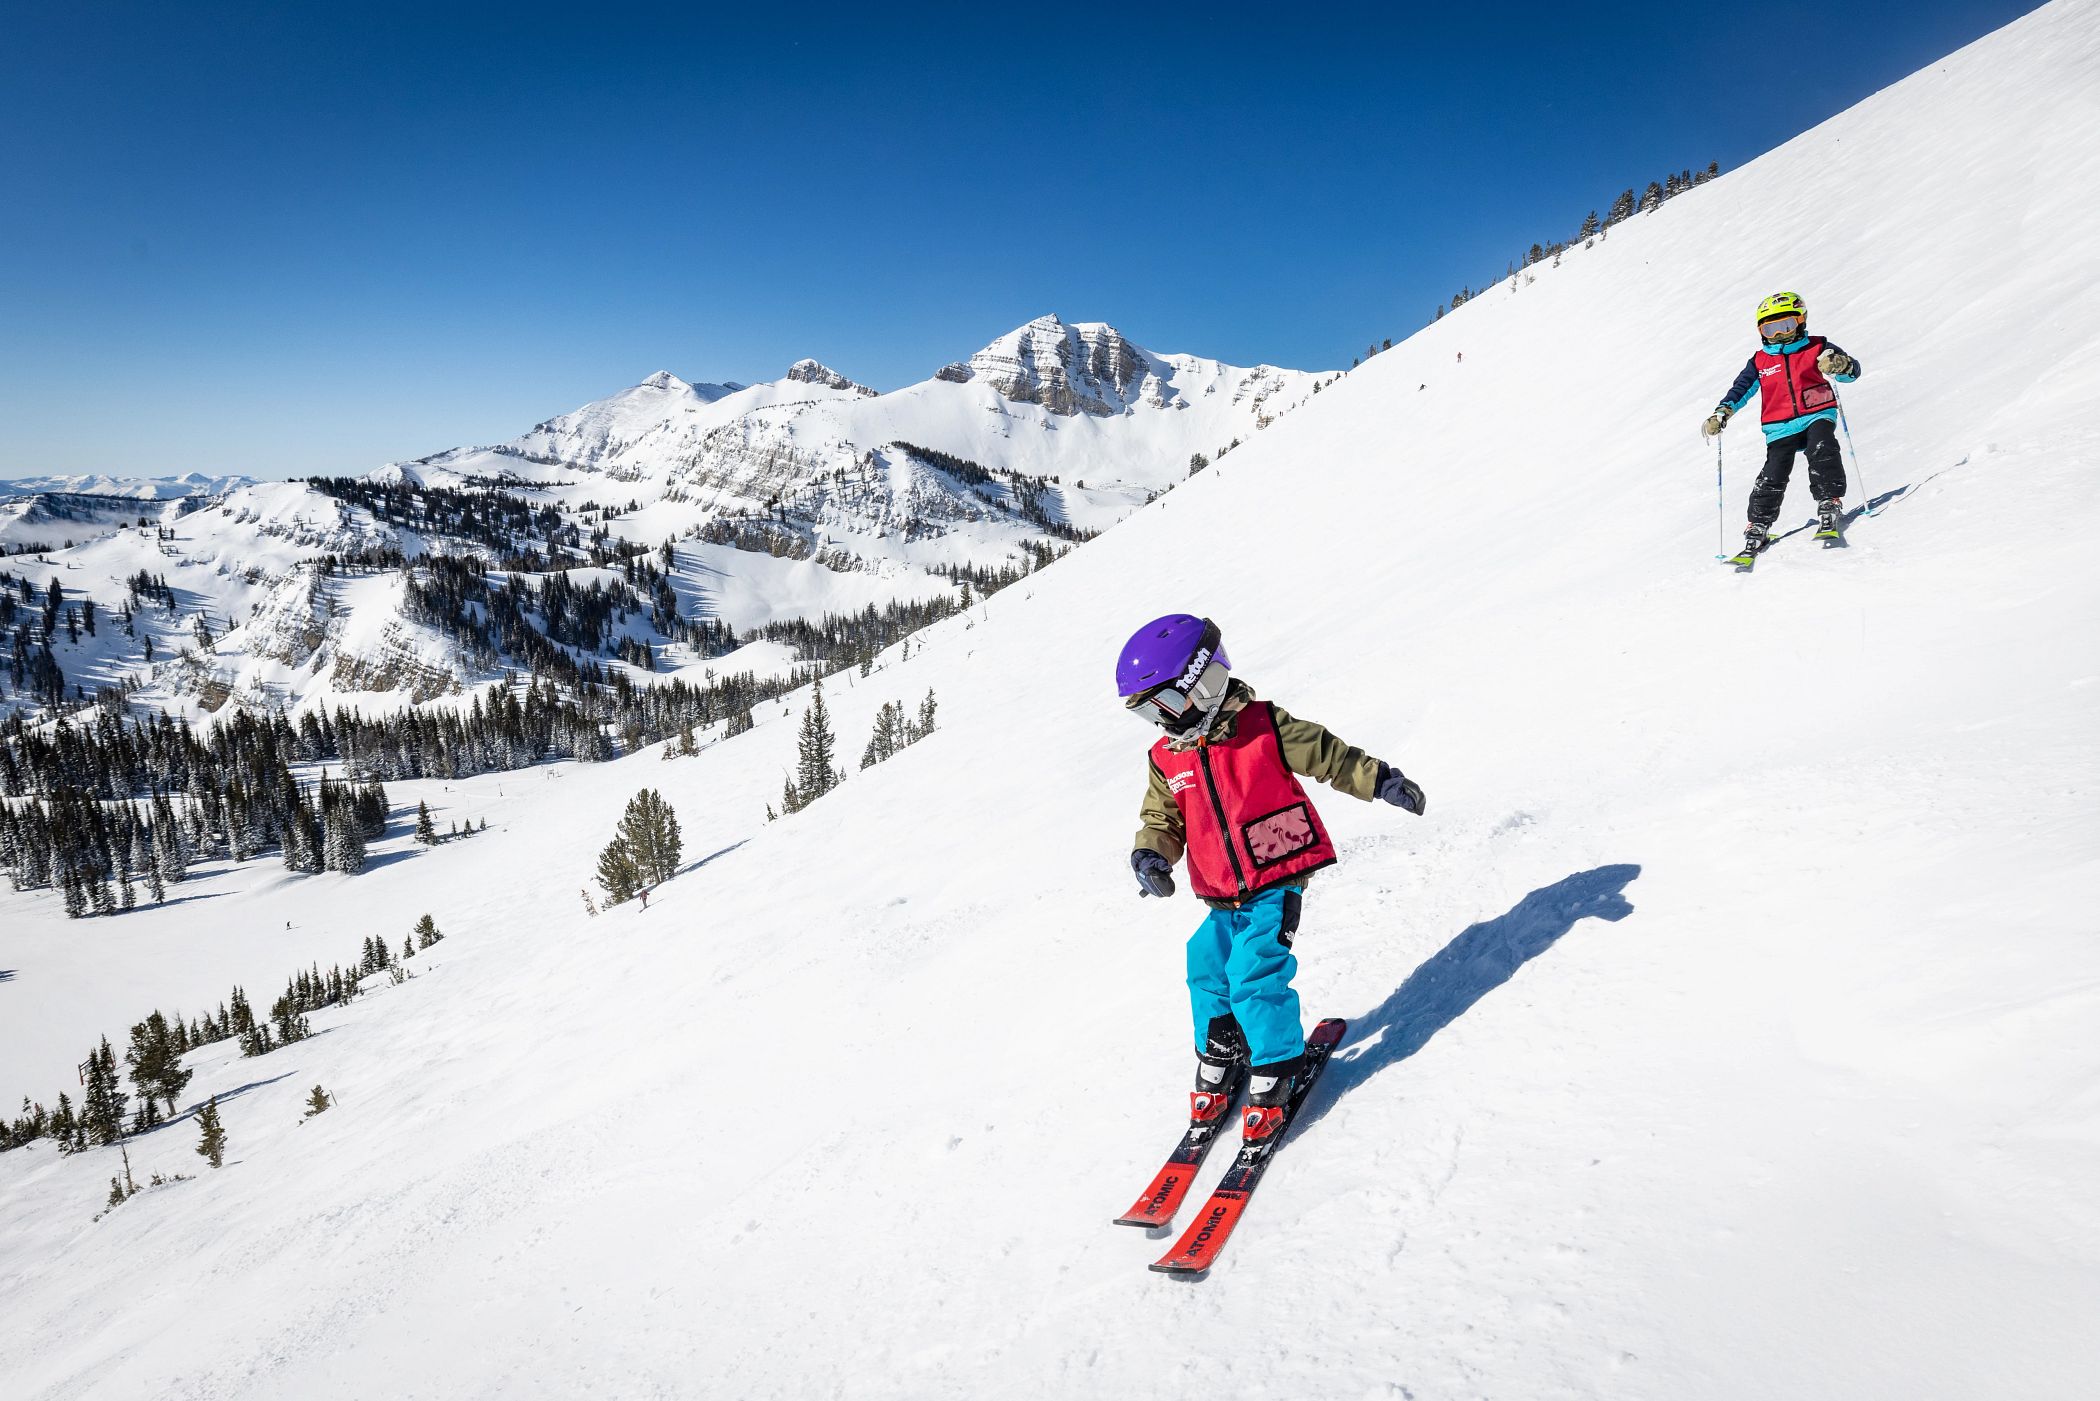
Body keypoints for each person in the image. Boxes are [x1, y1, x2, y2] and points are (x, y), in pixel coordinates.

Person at [1118, 615, 1425, 1143]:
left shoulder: (1264, 726)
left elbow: (1329, 756)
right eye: (1147, 710)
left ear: (1203, 682)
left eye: (1164, 703)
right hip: (1220, 893)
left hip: (1274, 874)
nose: (1160, 720)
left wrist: (1380, 780)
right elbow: (1162, 820)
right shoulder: (1167, 757)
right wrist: (1151, 855)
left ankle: (1277, 1066)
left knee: (1254, 972)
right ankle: (1222, 1052)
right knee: (1205, 967)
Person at [1702, 291, 1862, 557]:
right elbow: (1741, 389)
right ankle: (1758, 523)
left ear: (1800, 321)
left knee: (1822, 447)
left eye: (1785, 326)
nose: (1778, 335)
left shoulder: (1818, 347)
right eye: (1771, 329)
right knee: (1774, 472)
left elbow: (1852, 373)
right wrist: (1723, 412)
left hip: (1816, 412)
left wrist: (1839, 365)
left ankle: (1829, 500)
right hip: (1780, 424)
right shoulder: (1760, 361)